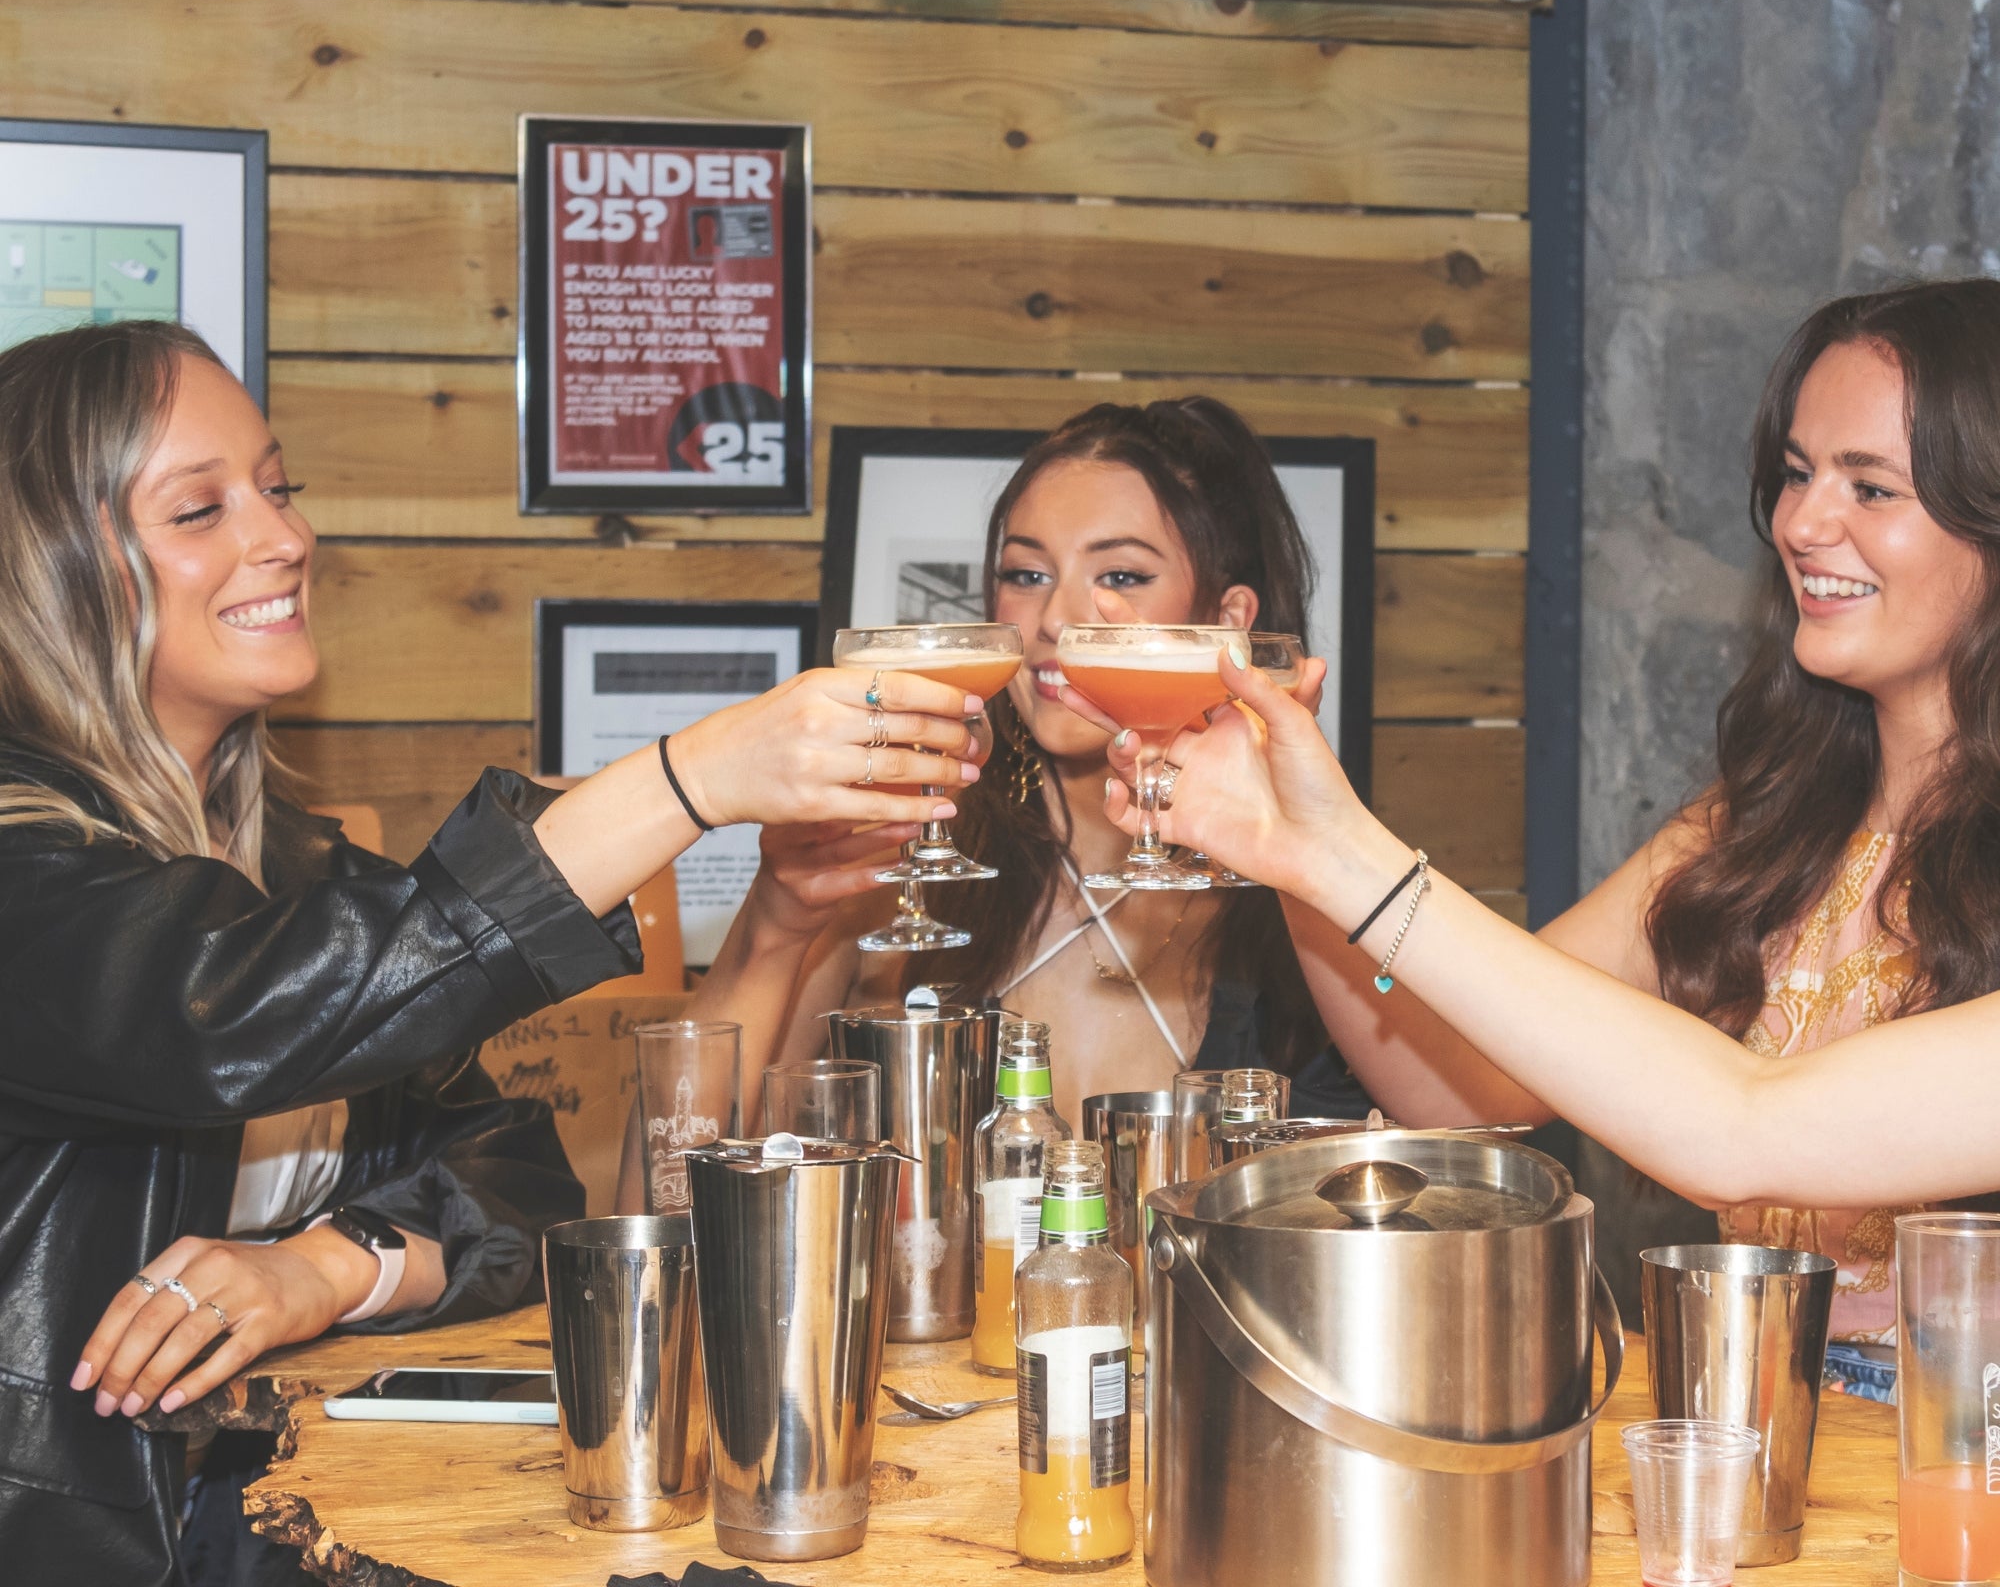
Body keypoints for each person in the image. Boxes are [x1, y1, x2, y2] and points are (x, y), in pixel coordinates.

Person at [0, 321, 983, 1583]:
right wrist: (696, 776)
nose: (284, 537)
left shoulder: (299, 871)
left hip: (264, 1520)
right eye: (201, 508)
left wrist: (320, 1266)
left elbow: (516, 1181)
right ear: (49, 571)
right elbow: (221, 1020)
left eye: (278, 487)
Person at [1093, 279, 2000, 1301]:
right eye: (1795, 473)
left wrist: (1344, 852)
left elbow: (1746, 1123)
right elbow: (1462, 1083)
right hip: (1761, 1430)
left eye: (1867, 487)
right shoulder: (1753, 826)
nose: (1799, 521)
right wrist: (1294, 859)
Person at [671, 399, 1371, 1144]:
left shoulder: (1306, 896)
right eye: (1027, 572)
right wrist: (771, 924)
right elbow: (670, 1196)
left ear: (1228, 619)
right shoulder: (898, 855)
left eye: (1124, 575)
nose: (1056, 621)